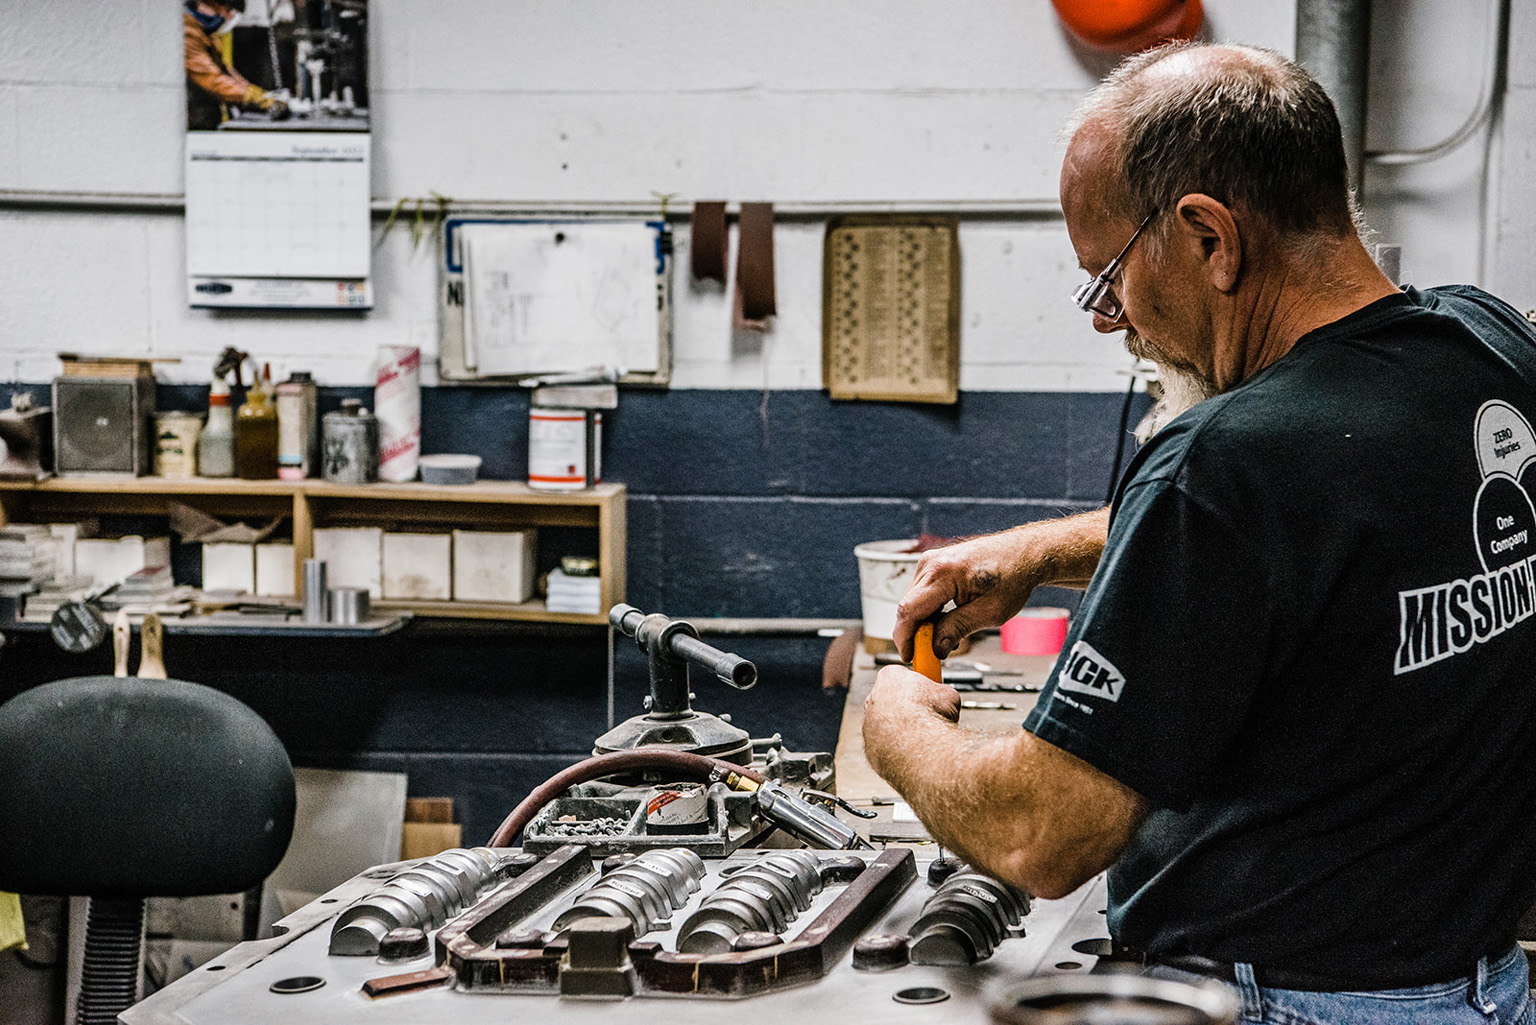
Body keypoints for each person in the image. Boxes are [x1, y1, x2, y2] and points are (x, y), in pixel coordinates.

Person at [863, 41, 1536, 1025]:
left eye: (1109, 276)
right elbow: (1325, 526)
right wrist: (1041, 553)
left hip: (1289, 1003)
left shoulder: (1220, 461)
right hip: (1484, 990)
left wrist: (899, 726)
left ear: (1210, 236)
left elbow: (1042, 834)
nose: (1112, 318)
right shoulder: (1487, 349)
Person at [184, 0, 288, 130]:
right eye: (226, 10)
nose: (228, 17)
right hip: (191, 123)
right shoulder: (187, 32)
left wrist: (262, 95)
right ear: (203, 4)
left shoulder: (206, 34)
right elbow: (212, 80)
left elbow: (225, 73)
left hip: (206, 120)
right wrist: (258, 100)